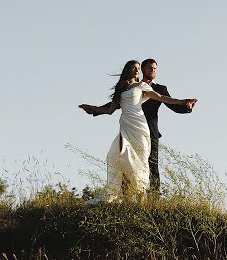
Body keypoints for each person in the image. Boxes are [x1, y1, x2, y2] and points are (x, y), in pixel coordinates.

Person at [81, 60, 196, 200]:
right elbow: (112, 107)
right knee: (118, 157)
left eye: (154, 68)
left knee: (148, 164)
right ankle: (126, 198)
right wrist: (93, 109)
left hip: (144, 128)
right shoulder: (123, 88)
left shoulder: (146, 87)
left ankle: (150, 200)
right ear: (133, 70)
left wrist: (184, 102)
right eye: (136, 68)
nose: (138, 70)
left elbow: (163, 98)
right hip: (126, 126)